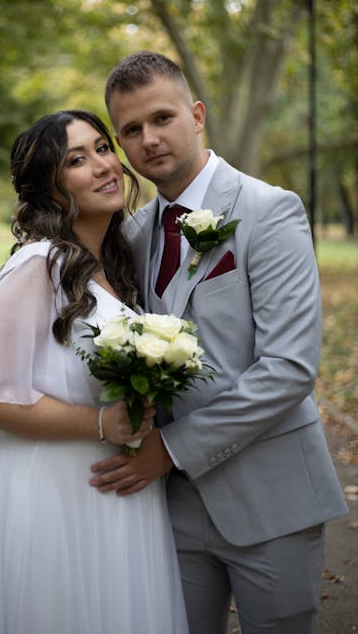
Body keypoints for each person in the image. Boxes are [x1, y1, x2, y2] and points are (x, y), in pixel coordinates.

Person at [89, 51, 348, 634]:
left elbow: (288, 368)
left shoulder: (269, 211)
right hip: (170, 508)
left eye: (162, 118)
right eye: (131, 130)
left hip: (270, 497)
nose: (149, 139)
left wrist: (171, 449)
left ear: (197, 114)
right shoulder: (131, 235)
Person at [0, 109, 190, 634]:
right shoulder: (39, 263)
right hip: (45, 488)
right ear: (51, 188)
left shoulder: (118, 263)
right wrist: (101, 425)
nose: (104, 165)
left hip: (110, 484)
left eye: (103, 148)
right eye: (77, 160)